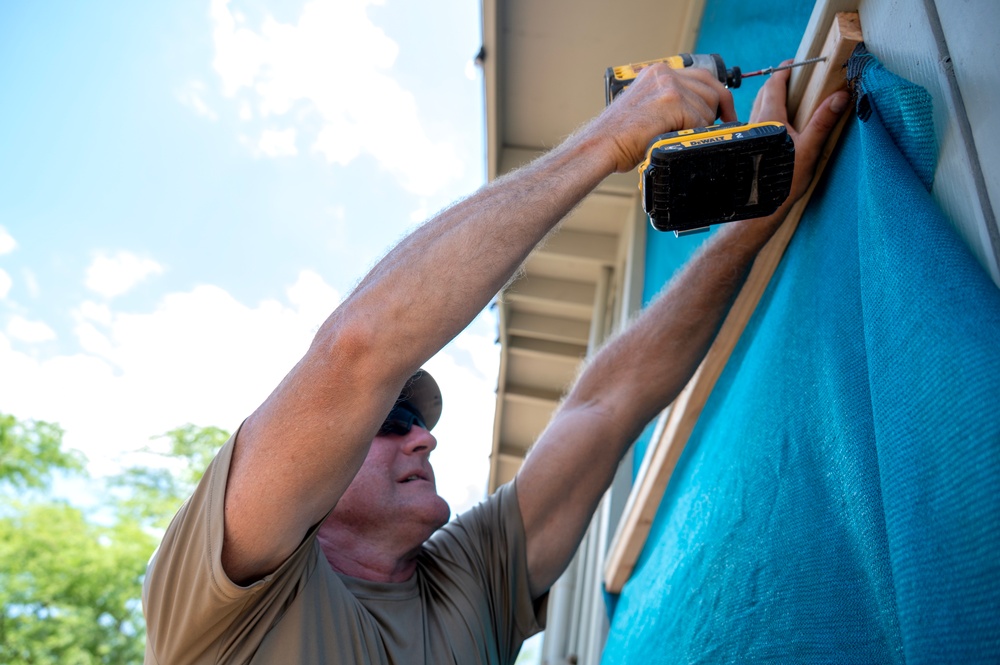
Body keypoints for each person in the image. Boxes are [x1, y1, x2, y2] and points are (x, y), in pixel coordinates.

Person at [142, 61, 849, 664]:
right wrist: (611, 138)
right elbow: (358, 352)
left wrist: (753, 225)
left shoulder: (471, 578)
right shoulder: (223, 597)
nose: (424, 435)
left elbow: (605, 405)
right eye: (392, 421)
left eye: (416, 420)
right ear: (313, 462)